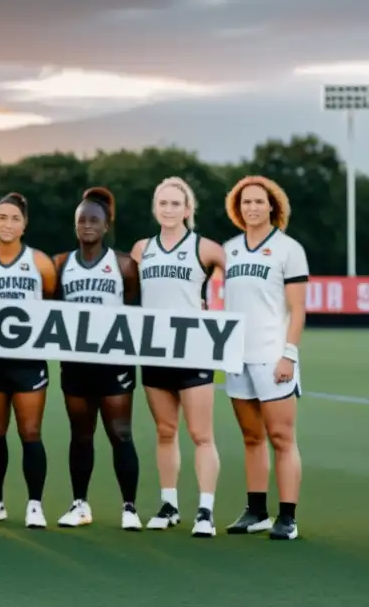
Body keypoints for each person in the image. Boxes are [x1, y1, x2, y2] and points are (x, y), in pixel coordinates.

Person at [132, 177, 225, 537]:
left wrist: (215, 307)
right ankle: (169, 503)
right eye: (163, 203)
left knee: (201, 434)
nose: (168, 210)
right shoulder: (142, 249)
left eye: (175, 204)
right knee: (165, 431)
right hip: (155, 349)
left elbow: (233, 284)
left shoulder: (206, 248)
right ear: (155, 208)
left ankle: (205, 510)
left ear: (188, 210)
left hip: (194, 350)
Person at [222, 176, 307, 541]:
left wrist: (288, 355)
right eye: (245, 203)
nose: (252, 208)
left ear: (272, 205)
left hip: (273, 356)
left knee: (281, 436)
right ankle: (256, 510)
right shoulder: (228, 249)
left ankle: (287, 517)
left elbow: (298, 309)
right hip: (236, 356)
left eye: (258, 202)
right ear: (237, 209)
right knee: (251, 436)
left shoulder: (289, 249)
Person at [0, 192, 56, 528]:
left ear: (24, 224)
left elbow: (53, 303)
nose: (7, 224)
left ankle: (35, 504)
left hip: (28, 360)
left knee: (30, 431)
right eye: (2, 217)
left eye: (15, 218)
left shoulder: (40, 262)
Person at [54, 187, 144, 531]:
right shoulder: (61, 264)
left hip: (114, 365)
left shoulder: (123, 265)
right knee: (81, 435)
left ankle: (130, 507)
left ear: (106, 226)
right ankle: (79, 504)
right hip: (75, 364)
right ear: (75, 225)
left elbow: (136, 315)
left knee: (120, 434)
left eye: (94, 220)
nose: (88, 225)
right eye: (82, 220)